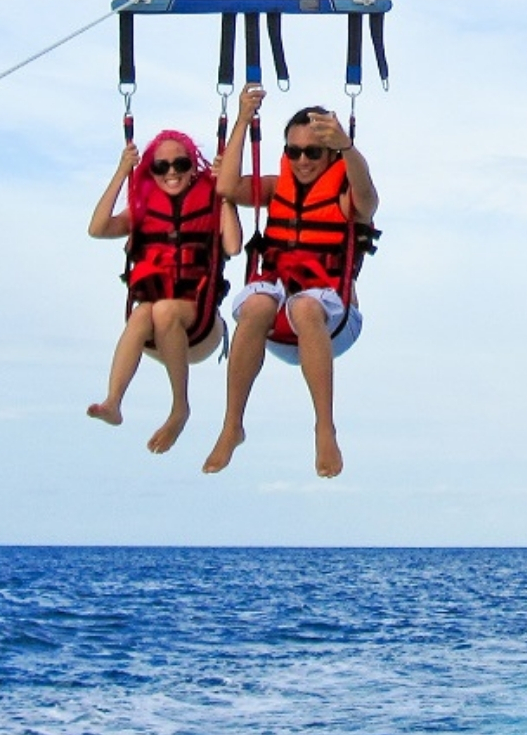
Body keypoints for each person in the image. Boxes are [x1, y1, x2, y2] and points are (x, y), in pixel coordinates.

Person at [203, 87, 378, 478]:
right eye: (293, 151)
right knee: (256, 305)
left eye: (312, 152)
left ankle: (324, 428)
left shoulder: (345, 194)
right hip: (279, 323)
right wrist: (244, 118)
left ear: (330, 153)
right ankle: (233, 424)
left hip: (335, 323)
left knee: (304, 305)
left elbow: (368, 200)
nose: (301, 161)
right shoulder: (276, 187)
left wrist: (348, 147)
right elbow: (227, 188)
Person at [85, 129, 242, 454]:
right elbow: (97, 229)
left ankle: (179, 407)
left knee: (162, 309)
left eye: (180, 163)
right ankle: (113, 401)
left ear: (192, 166)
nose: (171, 172)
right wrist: (121, 172)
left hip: (202, 331)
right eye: (161, 167)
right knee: (145, 311)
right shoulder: (144, 212)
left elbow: (233, 245)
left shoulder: (211, 201)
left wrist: (225, 192)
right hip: (156, 337)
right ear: (151, 172)